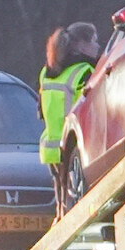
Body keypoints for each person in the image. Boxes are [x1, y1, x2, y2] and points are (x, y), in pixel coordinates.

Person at [37, 20, 101, 199]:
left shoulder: (47, 72)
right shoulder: (85, 71)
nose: (98, 45)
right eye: (94, 41)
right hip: (76, 148)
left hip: (53, 147)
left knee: (63, 203)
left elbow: (41, 110)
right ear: (81, 45)